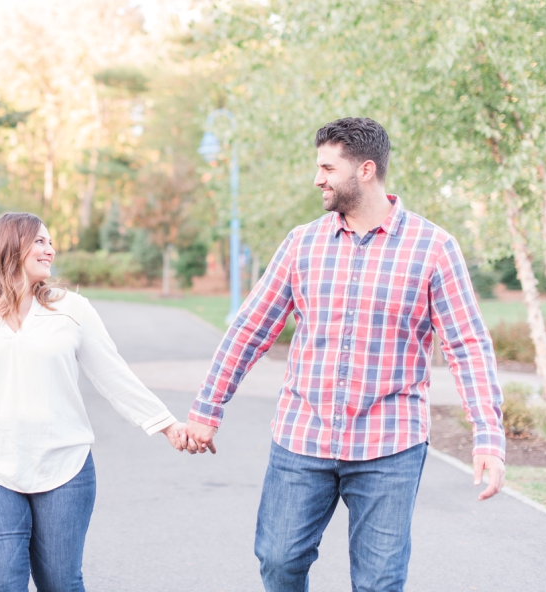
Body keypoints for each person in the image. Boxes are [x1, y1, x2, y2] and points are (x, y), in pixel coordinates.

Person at [184, 117, 505, 591]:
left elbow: (468, 345)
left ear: (366, 170)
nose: (318, 178)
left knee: (378, 582)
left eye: (328, 167)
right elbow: (250, 328)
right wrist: (208, 407)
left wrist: (487, 435)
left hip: (389, 444)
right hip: (303, 435)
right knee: (278, 560)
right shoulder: (302, 243)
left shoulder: (433, 248)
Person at [0, 211, 187, 592]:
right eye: (40, 241)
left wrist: (166, 425)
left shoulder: (72, 310)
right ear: (10, 247)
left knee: (61, 583)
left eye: (50, 242)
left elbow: (114, 375)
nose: (50, 249)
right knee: (3, 583)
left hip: (64, 466)